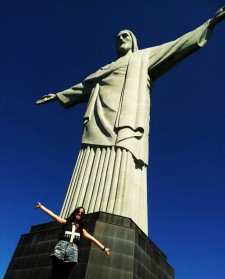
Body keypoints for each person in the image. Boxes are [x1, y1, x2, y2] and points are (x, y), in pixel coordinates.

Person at [35, 7, 225, 234]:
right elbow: (82, 88)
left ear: (133, 41)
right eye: (118, 37)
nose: (121, 39)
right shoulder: (104, 69)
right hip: (98, 121)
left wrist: (210, 23)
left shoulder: (143, 58)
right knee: (88, 159)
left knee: (124, 160)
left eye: (126, 35)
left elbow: (178, 45)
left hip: (126, 123)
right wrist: (58, 95)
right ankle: (74, 220)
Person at [35, 202, 111, 279]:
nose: (79, 214)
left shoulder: (81, 229)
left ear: (83, 216)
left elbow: (92, 238)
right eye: (78, 212)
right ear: (75, 213)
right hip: (60, 249)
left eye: (82, 213)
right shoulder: (65, 222)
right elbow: (52, 215)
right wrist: (41, 207)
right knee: (55, 277)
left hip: (72, 252)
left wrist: (104, 248)